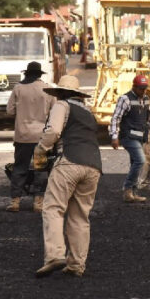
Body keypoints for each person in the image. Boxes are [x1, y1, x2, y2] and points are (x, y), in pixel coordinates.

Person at [33, 75, 102, 278]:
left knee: (53, 208)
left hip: (70, 161)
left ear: (61, 93)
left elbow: (53, 131)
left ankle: (55, 255)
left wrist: (41, 150)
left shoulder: (62, 105)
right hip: (93, 166)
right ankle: (77, 265)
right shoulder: (88, 113)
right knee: (80, 216)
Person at [5, 62, 55, 213]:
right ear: (40, 74)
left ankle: (15, 202)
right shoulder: (48, 89)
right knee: (40, 169)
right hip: (41, 138)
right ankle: (38, 203)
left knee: (20, 168)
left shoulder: (18, 88)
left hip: (22, 137)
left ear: (26, 73)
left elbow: (10, 111)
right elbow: (54, 112)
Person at [109, 75, 150, 203]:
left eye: (145, 89)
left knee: (135, 163)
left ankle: (132, 193)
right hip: (128, 137)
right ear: (134, 87)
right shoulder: (125, 99)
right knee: (140, 160)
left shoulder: (146, 99)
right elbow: (116, 118)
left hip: (140, 137)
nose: (143, 91)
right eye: (141, 89)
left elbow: (149, 118)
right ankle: (127, 189)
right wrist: (114, 136)